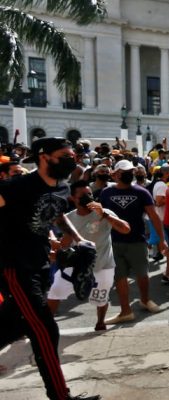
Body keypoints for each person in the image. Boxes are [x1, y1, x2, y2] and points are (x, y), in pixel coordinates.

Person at [0, 137, 102, 400]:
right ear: (43, 156)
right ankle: (60, 396)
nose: (72, 159)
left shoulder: (61, 186)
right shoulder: (17, 186)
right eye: (65, 155)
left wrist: (77, 240)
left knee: (13, 326)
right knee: (44, 329)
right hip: (15, 268)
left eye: (73, 154)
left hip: (42, 264)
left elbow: (56, 214)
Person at [48, 181, 130, 331]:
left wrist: (104, 215)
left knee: (101, 298)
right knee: (56, 290)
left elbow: (125, 229)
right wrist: (55, 247)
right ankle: (45, 324)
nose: (88, 198)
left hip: (102, 264)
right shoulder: (69, 218)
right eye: (83, 196)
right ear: (72, 198)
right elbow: (65, 243)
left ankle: (100, 322)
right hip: (76, 264)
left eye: (90, 194)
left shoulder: (104, 212)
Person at [100, 159, 166, 324]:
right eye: (124, 172)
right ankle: (125, 311)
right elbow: (99, 218)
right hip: (113, 242)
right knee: (120, 276)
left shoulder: (142, 192)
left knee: (143, 274)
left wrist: (162, 240)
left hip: (137, 240)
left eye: (130, 171)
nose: (129, 174)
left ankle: (145, 300)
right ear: (115, 174)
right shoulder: (106, 193)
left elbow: (154, 217)